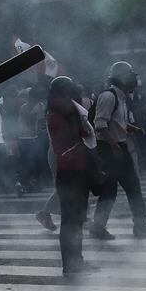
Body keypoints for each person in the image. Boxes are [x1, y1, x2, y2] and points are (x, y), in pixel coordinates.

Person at [88, 61, 146, 240]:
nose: (134, 79)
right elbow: (100, 125)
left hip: (118, 146)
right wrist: (114, 146)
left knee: (133, 187)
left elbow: (115, 121)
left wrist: (130, 128)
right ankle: (97, 227)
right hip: (109, 148)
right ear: (122, 78)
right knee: (109, 190)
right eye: (130, 75)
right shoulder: (109, 96)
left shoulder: (121, 97)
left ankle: (141, 224)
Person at [46, 76, 98, 277]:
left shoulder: (65, 111)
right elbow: (75, 137)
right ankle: (71, 263)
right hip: (71, 170)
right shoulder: (61, 114)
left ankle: (76, 260)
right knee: (71, 221)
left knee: (75, 219)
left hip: (74, 169)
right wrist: (82, 125)